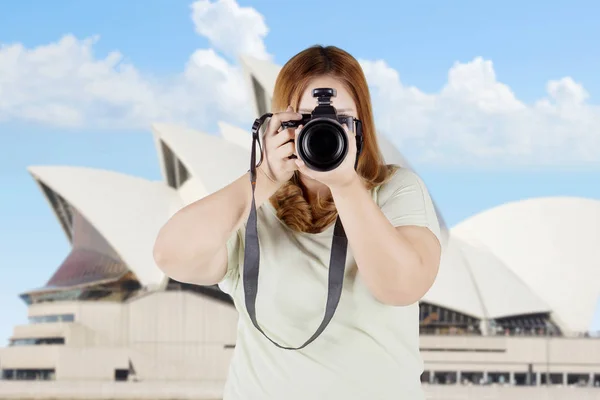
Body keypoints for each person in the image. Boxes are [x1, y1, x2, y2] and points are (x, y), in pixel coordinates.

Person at [153, 45, 442, 400]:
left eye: (340, 121)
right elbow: (171, 256)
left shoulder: (395, 190)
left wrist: (347, 185)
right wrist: (265, 176)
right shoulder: (252, 207)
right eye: (304, 121)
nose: (323, 132)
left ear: (362, 127)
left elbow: (401, 287)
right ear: (276, 125)